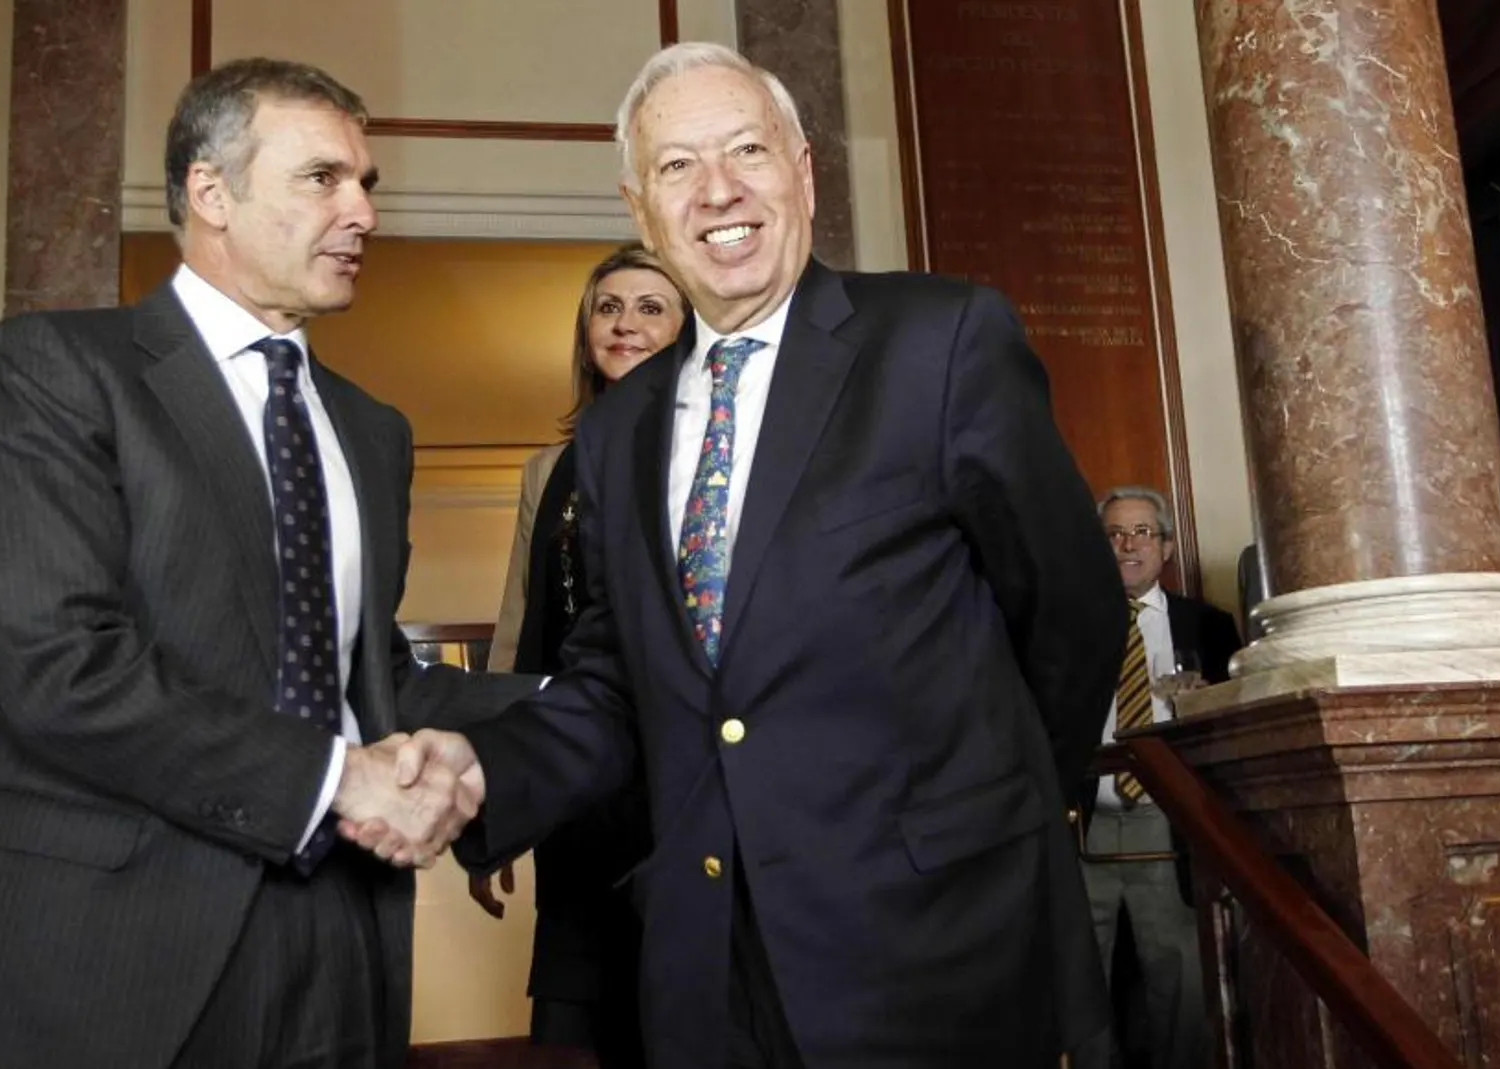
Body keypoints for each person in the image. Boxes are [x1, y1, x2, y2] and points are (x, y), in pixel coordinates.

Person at [360, 41, 1128, 1069]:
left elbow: (1067, 609)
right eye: (677, 166)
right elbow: (615, 684)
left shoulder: (938, 343)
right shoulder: (615, 431)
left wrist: (1012, 820)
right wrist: (476, 768)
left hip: (939, 950)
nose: (718, 190)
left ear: (802, 171)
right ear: (641, 209)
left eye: (745, 151)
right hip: (706, 973)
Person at [0, 58, 531, 1069]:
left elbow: (371, 675)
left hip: (342, 927)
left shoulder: (372, 432)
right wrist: (339, 779)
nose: (363, 213)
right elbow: (62, 669)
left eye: (366, 184)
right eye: (323, 178)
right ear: (212, 192)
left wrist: (578, 701)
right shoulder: (58, 370)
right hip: (117, 942)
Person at [477, 242, 690, 1066]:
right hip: (580, 781)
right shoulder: (545, 469)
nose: (626, 323)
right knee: (588, 1021)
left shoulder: (718, 453)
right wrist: (500, 793)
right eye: (609, 307)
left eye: (649, 306)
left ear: (684, 328)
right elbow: (518, 629)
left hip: (684, 782)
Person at [1077, 487, 1241, 1069]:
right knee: (1078, 988)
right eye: (1114, 534)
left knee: (1180, 985)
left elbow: (1237, 728)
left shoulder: (1211, 627)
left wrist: (1204, 709)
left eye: (1142, 532)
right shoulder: (1065, 623)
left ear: (1167, 547)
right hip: (1082, 828)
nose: (1127, 545)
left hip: (1166, 824)